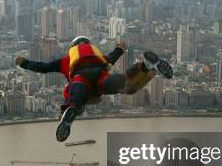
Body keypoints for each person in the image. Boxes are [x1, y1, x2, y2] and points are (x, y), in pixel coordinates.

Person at [15, 36, 173, 142]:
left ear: (73, 47)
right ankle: (145, 66)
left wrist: (24, 63)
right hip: (100, 76)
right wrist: (120, 48)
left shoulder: (67, 59)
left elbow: (44, 67)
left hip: (80, 77)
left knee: (76, 94)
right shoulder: (98, 55)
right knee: (125, 85)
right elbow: (113, 56)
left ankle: (70, 110)